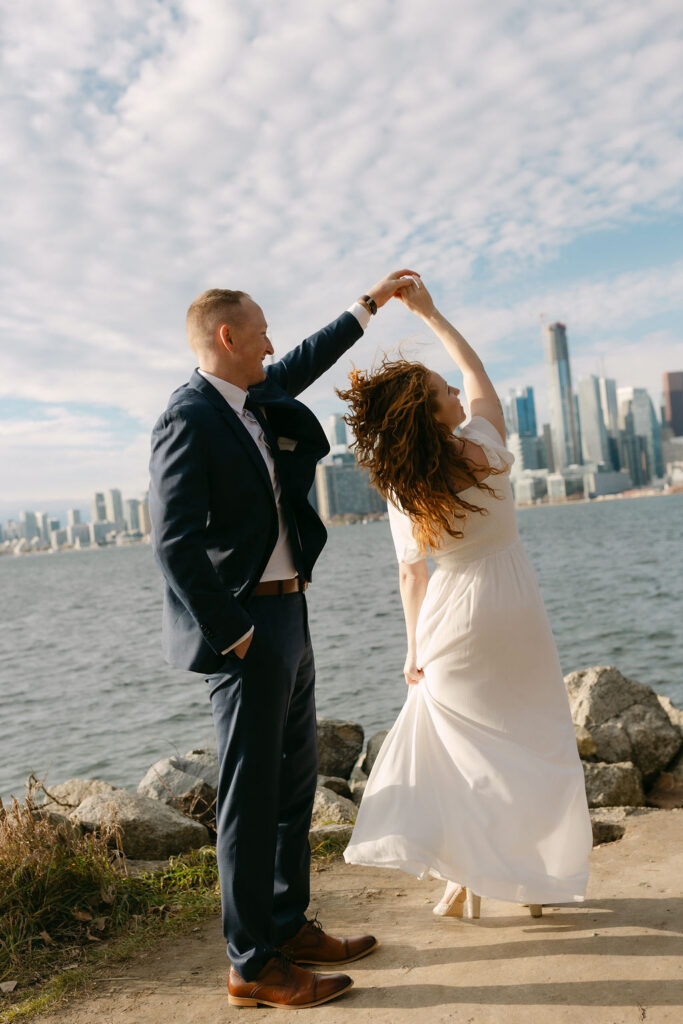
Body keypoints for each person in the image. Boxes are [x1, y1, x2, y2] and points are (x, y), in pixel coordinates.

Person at [148, 270, 416, 1009]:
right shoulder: (188, 417)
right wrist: (234, 636)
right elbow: (172, 544)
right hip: (247, 629)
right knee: (249, 798)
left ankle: (288, 926)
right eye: (259, 330)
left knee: (293, 786)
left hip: (290, 614)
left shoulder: (253, 396)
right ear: (226, 338)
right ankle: (250, 965)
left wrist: (367, 307)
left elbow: (301, 359)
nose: (271, 341)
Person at [340, 276, 592, 918]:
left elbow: (413, 577)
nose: (453, 392)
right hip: (515, 609)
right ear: (433, 414)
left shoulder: (406, 490)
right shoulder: (487, 447)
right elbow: (474, 369)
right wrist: (431, 315)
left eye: (446, 387)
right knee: (532, 741)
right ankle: (528, 879)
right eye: (439, 392)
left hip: (453, 620)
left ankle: (469, 879)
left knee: (466, 753)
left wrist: (414, 651)